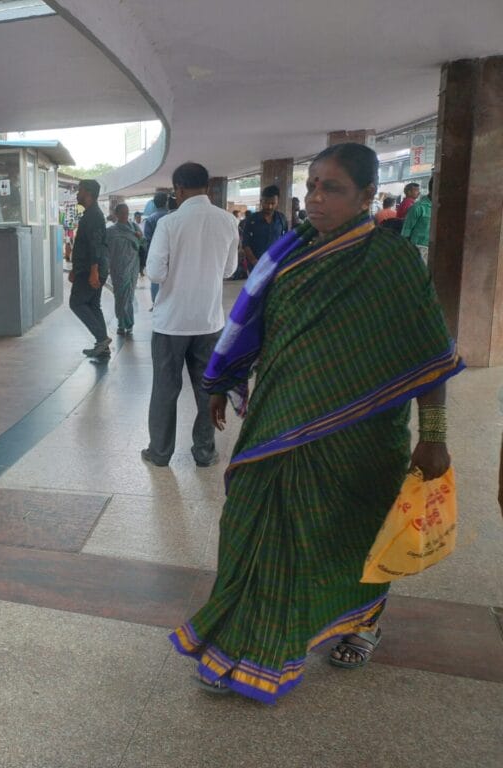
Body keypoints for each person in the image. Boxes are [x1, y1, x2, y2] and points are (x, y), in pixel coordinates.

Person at [169, 143, 463, 703]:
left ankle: (363, 622)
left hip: (361, 432)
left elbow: (428, 353)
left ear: (368, 196)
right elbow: (259, 327)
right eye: (313, 188)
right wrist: (225, 381)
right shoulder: (290, 252)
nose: (317, 200)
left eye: (333, 189)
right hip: (280, 415)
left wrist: (436, 435)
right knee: (252, 522)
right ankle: (249, 643)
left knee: (346, 533)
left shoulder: (393, 263)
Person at [142, 162, 238, 468]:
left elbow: (155, 273)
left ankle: (159, 453)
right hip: (209, 322)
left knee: (165, 390)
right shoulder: (227, 221)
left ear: (178, 190)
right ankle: (204, 451)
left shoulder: (168, 224)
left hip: (171, 323)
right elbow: (230, 270)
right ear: (207, 187)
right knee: (206, 390)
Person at [69, 179, 111, 359]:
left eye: (79, 191)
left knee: (76, 303)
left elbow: (95, 245)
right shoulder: (91, 214)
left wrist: (93, 271)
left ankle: (102, 339)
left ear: (88, 193)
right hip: (89, 268)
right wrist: (74, 268)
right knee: (93, 305)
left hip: (90, 269)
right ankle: (103, 348)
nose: (77, 194)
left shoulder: (93, 215)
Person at [105, 203, 140, 336]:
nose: (125, 215)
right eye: (122, 213)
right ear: (116, 214)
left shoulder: (134, 227)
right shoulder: (110, 231)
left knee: (129, 295)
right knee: (119, 296)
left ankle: (129, 323)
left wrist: (139, 238)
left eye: (127, 212)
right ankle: (121, 323)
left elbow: (142, 243)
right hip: (117, 268)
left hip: (132, 267)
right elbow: (105, 250)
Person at [240, 185, 288, 273]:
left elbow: (285, 240)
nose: (269, 206)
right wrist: (255, 262)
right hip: (255, 265)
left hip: (275, 264)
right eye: (266, 203)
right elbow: (245, 243)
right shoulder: (252, 220)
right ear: (261, 201)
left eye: (273, 203)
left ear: (277, 202)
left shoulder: (282, 219)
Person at [142, 192, 171, 303]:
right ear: (166, 202)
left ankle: (155, 303)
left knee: (155, 279)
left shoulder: (150, 219)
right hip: (172, 253)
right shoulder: (172, 217)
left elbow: (147, 240)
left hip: (155, 253)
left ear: (154, 203)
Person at [401, 177, 433, 263]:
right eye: (416, 190)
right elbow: (406, 232)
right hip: (418, 248)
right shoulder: (417, 207)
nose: (418, 192)